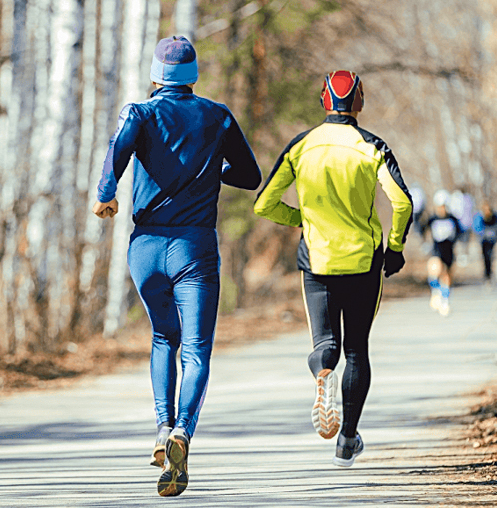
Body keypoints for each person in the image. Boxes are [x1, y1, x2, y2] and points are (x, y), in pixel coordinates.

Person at [93, 36, 261, 497]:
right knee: (197, 348)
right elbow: (250, 176)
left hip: (145, 249)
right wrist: (213, 173)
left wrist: (106, 195)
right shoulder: (218, 115)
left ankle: (161, 425)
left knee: (163, 336)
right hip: (195, 249)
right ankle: (182, 432)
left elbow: (118, 152)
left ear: (155, 76)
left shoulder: (140, 113)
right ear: (193, 77)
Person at [253, 70, 412, 468]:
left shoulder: (300, 147)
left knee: (326, 344)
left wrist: (303, 220)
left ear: (324, 100)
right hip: (363, 262)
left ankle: (323, 374)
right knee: (357, 350)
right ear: (358, 102)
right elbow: (403, 203)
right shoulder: (372, 147)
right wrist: (394, 248)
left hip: (317, 261)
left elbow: (264, 204)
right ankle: (347, 439)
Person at [426, 190, 462, 316]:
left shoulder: (453, 219)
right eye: (439, 206)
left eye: (444, 206)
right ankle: (435, 291)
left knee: (446, 276)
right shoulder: (432, 219)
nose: (442, 209)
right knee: (434, 268)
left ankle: (445, 301)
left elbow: (460, 233)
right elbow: (422, 229)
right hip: (436, 250)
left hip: (449, 251)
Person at [473, 200, 497, 285]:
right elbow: (476, 227)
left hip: (492, 240)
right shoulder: (480, 217)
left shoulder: (496, 216)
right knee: (485, 256)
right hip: (483, 240)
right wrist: (482, 234)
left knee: (491, 255)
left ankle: (490, 273)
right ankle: (486, 274)